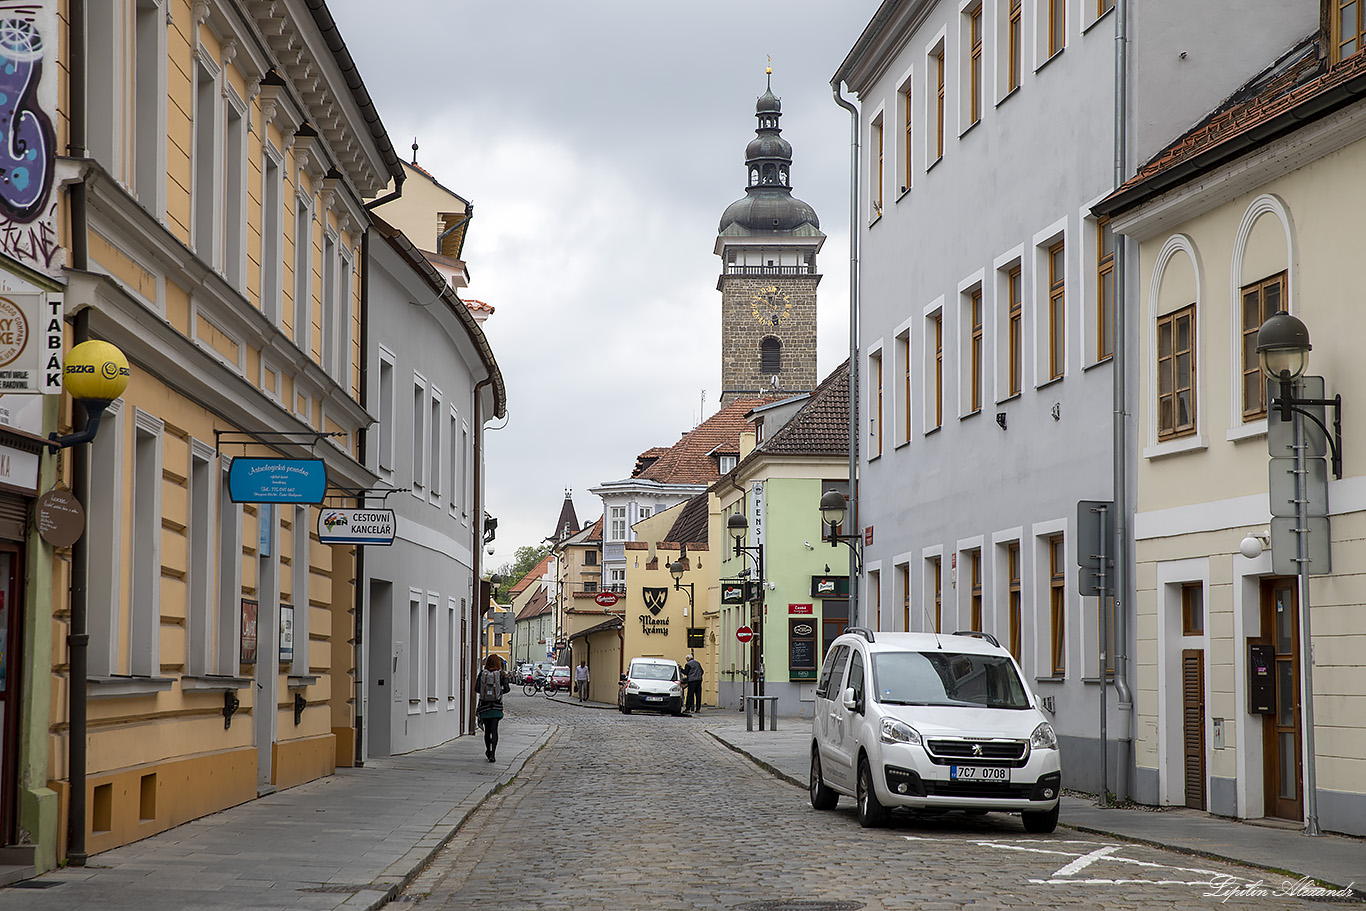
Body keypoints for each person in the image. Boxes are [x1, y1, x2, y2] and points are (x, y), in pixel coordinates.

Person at [475, 654, 510, 762]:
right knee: (494, 730)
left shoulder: (482, 674)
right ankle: (493, 754)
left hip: (484, 707)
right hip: (496, 706)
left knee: (487, 731)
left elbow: (477, 689)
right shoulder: (501, 674)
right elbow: (507, 689)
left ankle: (488, 750)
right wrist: (499, 693)